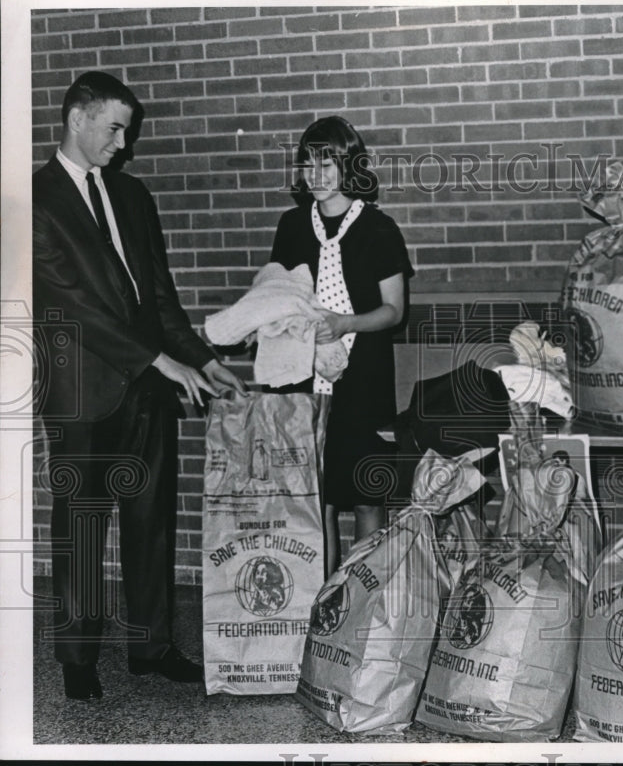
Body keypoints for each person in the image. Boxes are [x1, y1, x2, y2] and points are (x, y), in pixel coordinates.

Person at [33, 71, 246, 700]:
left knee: (150, 520)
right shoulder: (31, 199)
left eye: (126, 131)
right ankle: (77, 658)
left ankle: (151, 647)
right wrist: (159, 361)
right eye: (114, 128)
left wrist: (200, 359)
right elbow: (71, 304)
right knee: (82, 523)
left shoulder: (134, 196)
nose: (123, 144)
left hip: (149, 387)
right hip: (82, 392)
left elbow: (158, 296)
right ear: (77, 119)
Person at [269, 115, 413, 572]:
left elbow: (394, 310)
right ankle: (317, 603)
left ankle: (359, 606)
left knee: (368, 495)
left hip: (363, 379)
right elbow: (279, 298)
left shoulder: (379, 229)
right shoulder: (291, 227)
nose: (317, 175)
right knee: (317, 499)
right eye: (308, 163)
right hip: (304, 378)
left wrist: (344, 322)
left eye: (327, 163)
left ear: (349, 165)